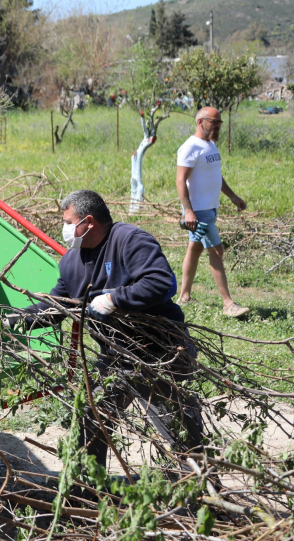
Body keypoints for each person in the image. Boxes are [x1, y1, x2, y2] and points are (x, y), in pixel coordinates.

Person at [20, 189, 203, 470]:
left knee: (180, 431)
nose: (64, 228)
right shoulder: (72, 261)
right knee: (90, 420)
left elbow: (160, 282)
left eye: (69, 222)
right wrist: (14, 320)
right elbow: (57, 307)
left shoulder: (129, 240)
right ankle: (88, 491)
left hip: (159, 353)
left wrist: (114, 299)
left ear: (89, 222)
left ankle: (202, 490)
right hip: (114, 358)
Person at [176, 107, 249, 318]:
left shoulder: (211, 146)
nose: (217, 126)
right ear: (200, 122)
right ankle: (228, 304)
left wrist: (232, 196)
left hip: (211, 207)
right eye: (213, 122)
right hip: (199, 211)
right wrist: (188, 210)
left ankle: (184, 296)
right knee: (216, 250)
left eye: (219, 122)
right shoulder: (190, 147)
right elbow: (181, 180)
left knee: (195, 248)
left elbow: (216, 176)